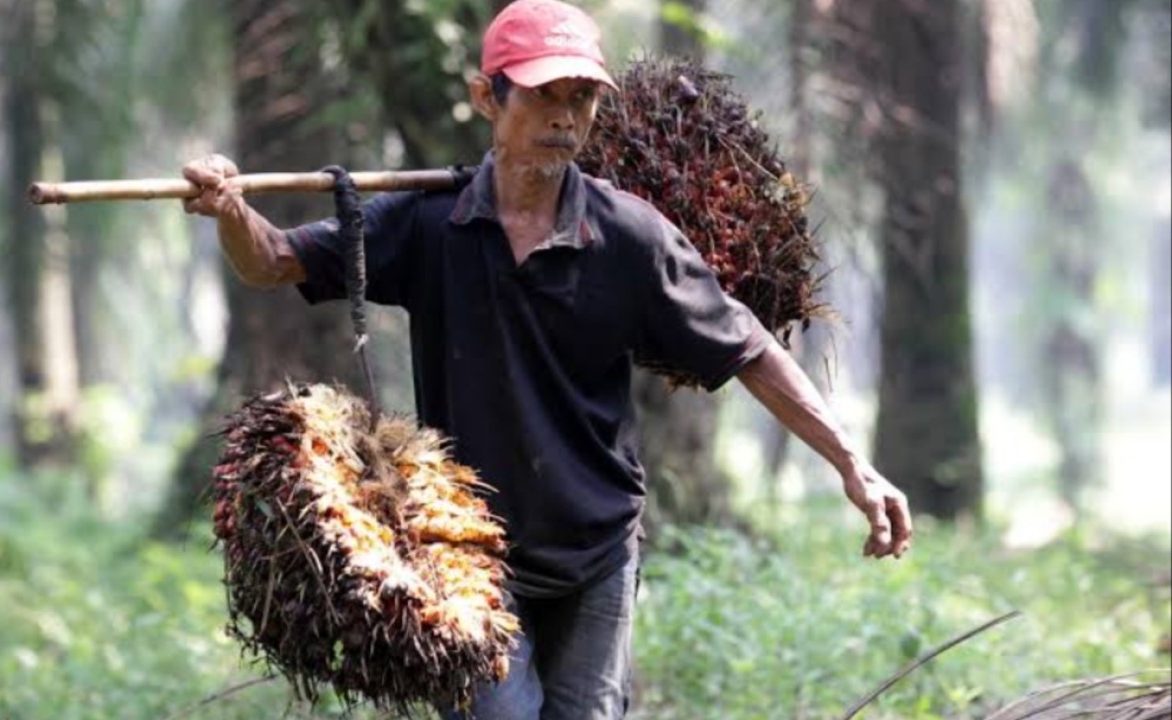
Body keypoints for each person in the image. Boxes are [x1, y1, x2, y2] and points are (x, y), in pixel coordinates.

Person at [182, 1, 912, 718]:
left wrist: (853, 465)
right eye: (542, 96)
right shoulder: (429, 226)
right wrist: (231, 209)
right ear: (486, 99)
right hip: (469, 552)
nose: (565, 118)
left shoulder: (631, 239)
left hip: (597, 547)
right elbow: (275, 260)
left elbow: (749, 348)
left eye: (582, 97)